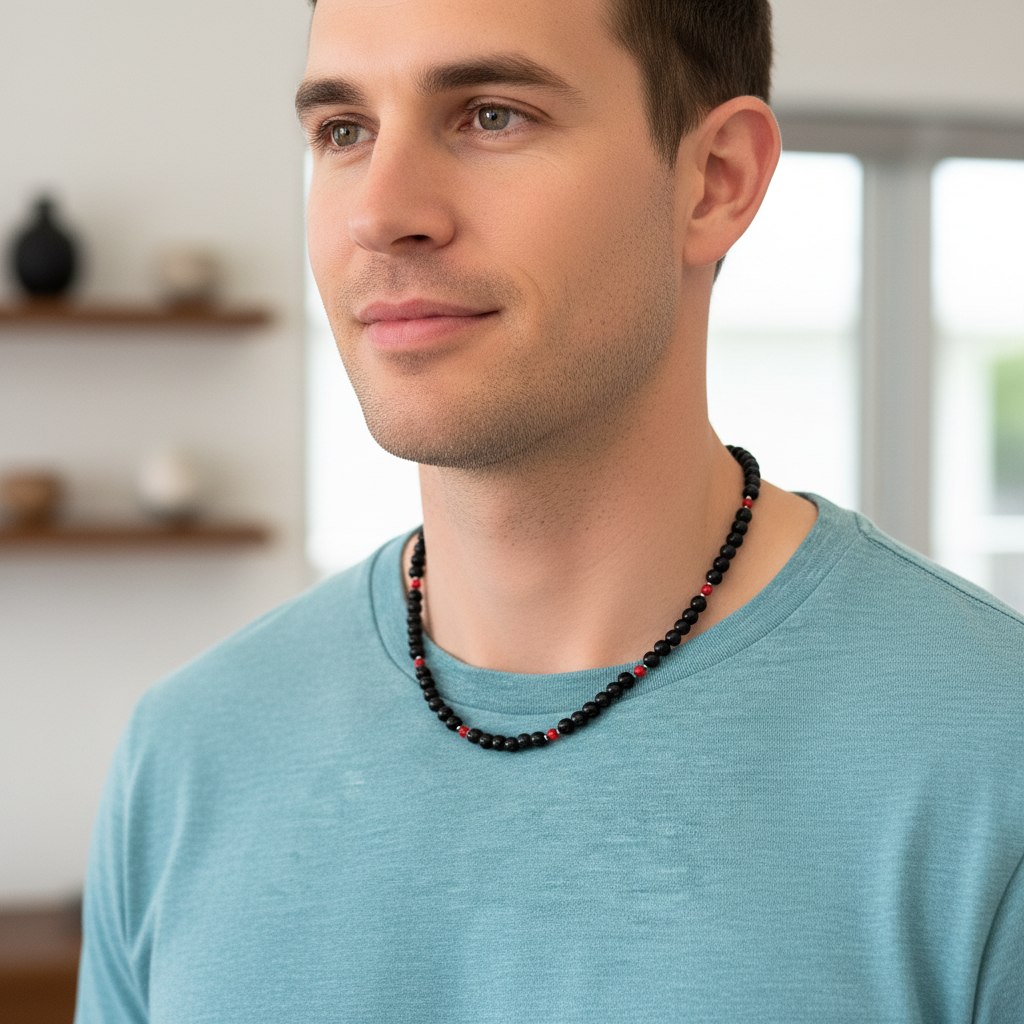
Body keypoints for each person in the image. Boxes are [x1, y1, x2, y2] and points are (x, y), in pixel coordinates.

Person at [75, 0, 1023, 1020]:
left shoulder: (988, 757)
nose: (379, 211)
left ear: (715, 181)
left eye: (490, 115)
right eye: (343, 131)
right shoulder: (186, 755)